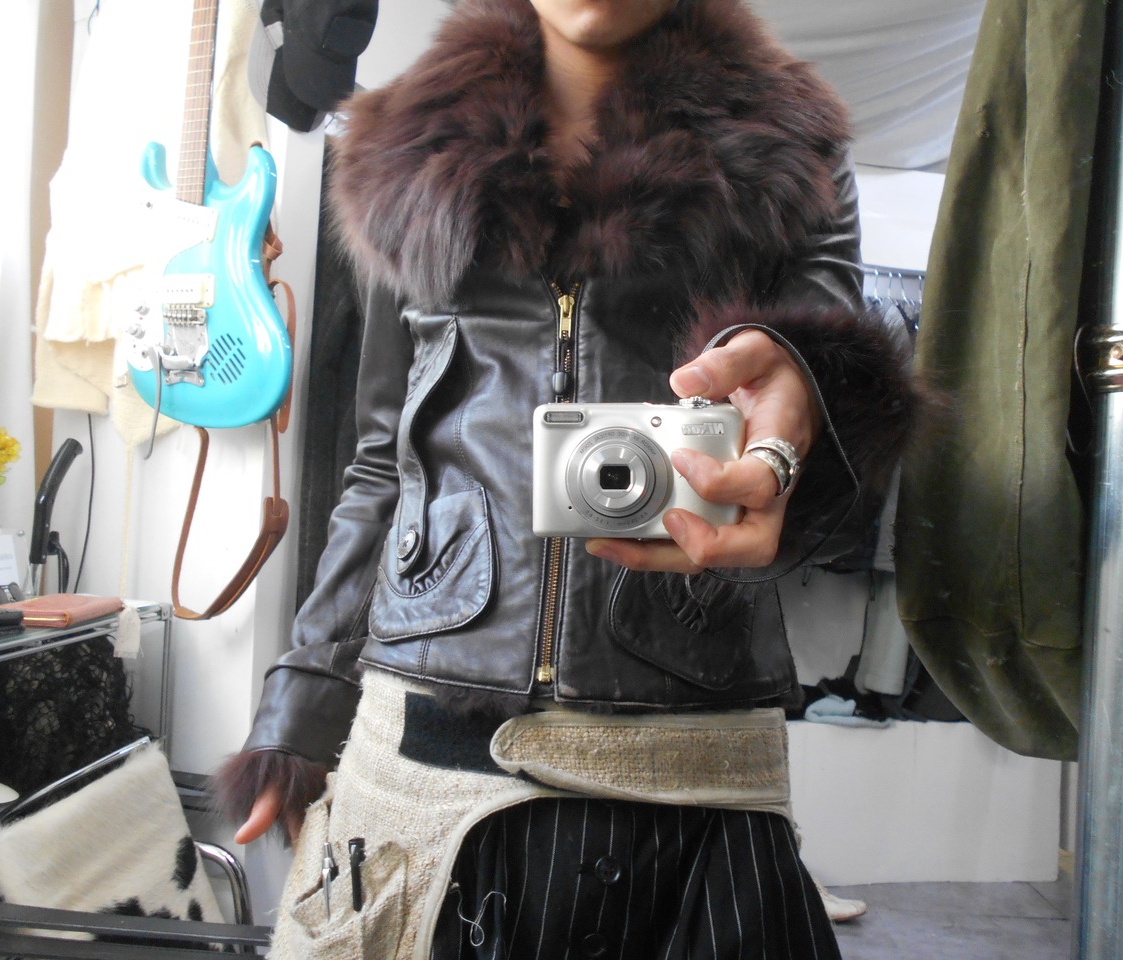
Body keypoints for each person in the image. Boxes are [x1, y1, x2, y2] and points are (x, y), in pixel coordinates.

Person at [217, 0, 922, 956]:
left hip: (691, 744)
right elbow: (384, 460)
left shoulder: (793, 147)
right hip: (426, 732)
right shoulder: (401, 147)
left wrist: (803, 411)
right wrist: (302, 701)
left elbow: (828, 405)